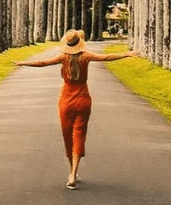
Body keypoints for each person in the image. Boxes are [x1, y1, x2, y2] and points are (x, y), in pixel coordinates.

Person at [14, 29, 139, 190]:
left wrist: (24, 63)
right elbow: (106, 57)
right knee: (79, 136)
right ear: (79, 43)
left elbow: (43, 62)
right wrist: (127, 54)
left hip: (66, 101)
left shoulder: (63, 57)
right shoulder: (85, 56)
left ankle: (71, 171)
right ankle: (73, 173)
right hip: (83, 100)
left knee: (68, 136)